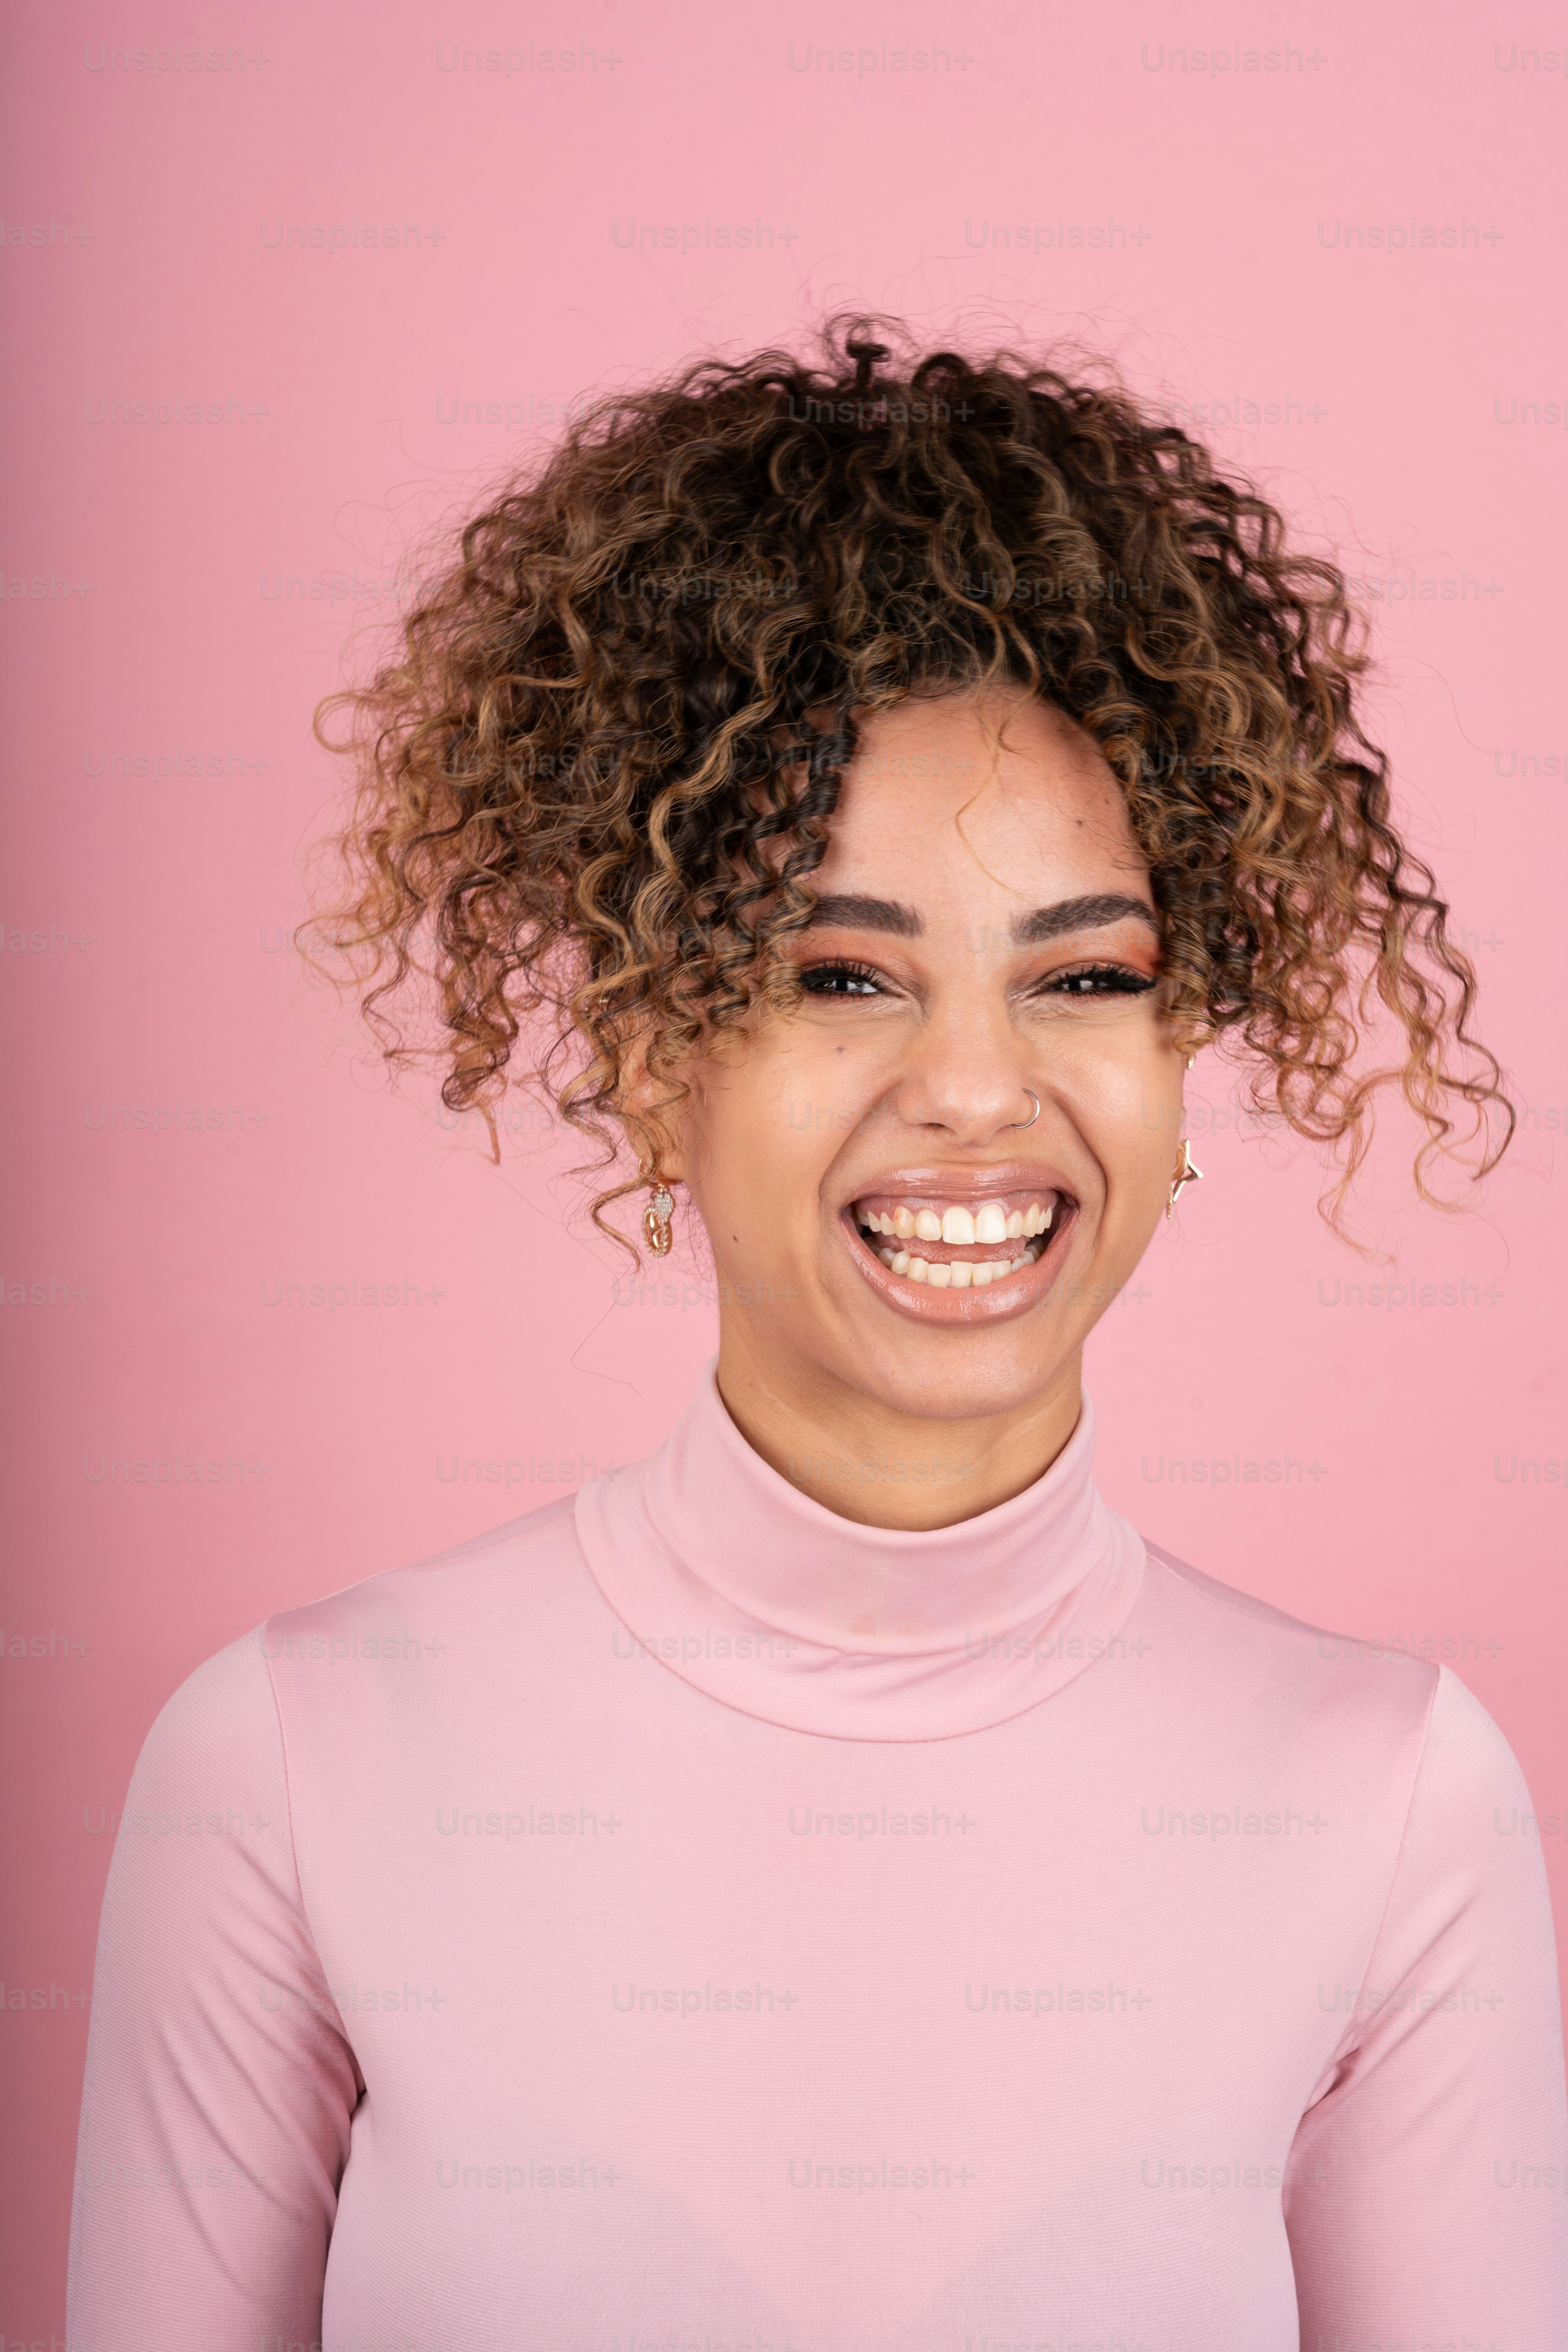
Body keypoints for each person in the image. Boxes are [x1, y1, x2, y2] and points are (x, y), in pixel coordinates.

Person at [68, 321, 1568, 2348]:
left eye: (1088, 977)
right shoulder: (292, 1762)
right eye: (842, 979)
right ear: (654, 1045)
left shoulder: (1393, 1802)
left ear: (1186, 1042)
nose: (975, 1090)